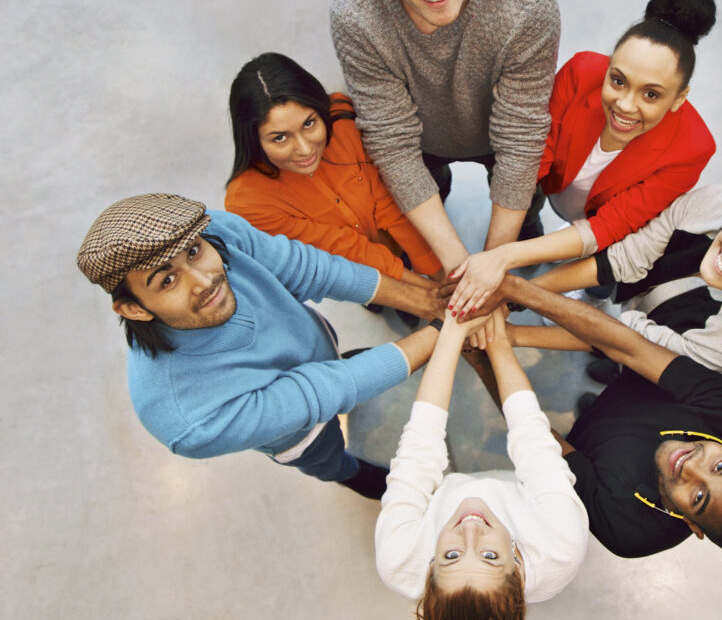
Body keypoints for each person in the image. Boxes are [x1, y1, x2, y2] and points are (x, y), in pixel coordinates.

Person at [76, 193, 448, 498]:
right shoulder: (186, 419)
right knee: (327, 457)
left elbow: (311, 269)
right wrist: (442, 332)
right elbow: (322, 391)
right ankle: (348, 474)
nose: (204, 280)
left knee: (342, 367)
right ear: (132, 309)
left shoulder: (214, 232)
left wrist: (430, 304)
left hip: (318, 355)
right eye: (167, 280)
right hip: (301, 432)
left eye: (193, 253)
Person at [330, 0, 560, 277]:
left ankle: (523, 237)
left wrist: (494, 265)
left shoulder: (526, 5)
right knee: (419, 220)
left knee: (524, 224)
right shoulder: (357, 17)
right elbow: (393, 143)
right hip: (418, 141)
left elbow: (521, 135)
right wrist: (461, 269)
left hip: (502, 139)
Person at [462, 275, 722, 561]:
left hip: (582, 453)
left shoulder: (627, 531)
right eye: (720, 466)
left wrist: (484, 359)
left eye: (699, 497)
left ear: (693, 526)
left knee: (571, 433)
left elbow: (539, 438)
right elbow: (630, 347)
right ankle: (606, 387)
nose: (690, 466)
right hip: (637, 377)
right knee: (618, 363)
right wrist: (511, 296)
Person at [446, 0, 717, 317]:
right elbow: (531, 158)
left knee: (603, 269)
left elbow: (611, 226)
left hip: (605, 223)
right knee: (522, 198)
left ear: (679, 98)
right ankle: (531, 232)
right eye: (617, 80)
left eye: (651, 94)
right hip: (552, 184)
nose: (626, 106)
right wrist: (498, 255)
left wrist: (500, 262)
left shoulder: (692, 148)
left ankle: (591, 296)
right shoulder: (580, 72)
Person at [375, 312, 588, 620]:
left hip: (447, 487)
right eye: (490, 556)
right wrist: (497, 340)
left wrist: (456, 327)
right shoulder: (560, 544)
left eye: (451, 555)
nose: (470, 529)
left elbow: (421, 443)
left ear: (428, 568)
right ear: (518, 567)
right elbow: (531, 435)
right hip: (517, 486)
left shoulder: (398, 558)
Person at [510, 184, 722, 374]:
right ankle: (591, 300)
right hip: (634, 288)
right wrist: (515, 294)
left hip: (648, 339)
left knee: (629, 368)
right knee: (613, 260)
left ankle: (612, 370)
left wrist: (511, 333)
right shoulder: (714, 203)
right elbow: (623, 259)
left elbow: (629, 343)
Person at [224, 52, 442, 288]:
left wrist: (440, 276)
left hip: (399, 239)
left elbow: (390, 207)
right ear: (253, 140)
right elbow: (339, 246)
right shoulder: (248, 202)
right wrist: (425, 289)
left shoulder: (343, 121)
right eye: (279, 138)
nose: (305, 149)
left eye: (309, 124)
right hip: (352, 270)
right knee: (382, 298)